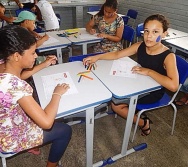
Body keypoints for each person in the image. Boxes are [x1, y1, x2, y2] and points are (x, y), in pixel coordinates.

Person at [83, 14, 179, 136]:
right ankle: (132, 109)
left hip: (153, 91)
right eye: (146, 31)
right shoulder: (140, 46)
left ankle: (143, 123)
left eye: (155, 32)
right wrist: (97, 57)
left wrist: (149, 71)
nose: (149, 36)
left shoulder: (168, 56)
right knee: (113, 85)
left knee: (116, 105)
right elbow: (117, 55)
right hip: (138, 82)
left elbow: (174, 86)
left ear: (164, 33)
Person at [0, 25, 72, 167]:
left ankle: (32, 146)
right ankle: (52, 165)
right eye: (33, 53)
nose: (36, 56)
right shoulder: (14, 86)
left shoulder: (4, 64)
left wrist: (44, 64)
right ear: (16, 56)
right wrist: (57, 93)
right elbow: (46, 122)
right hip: (9, 138)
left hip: (6, 122)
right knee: (64, 129)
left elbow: (20, 75)